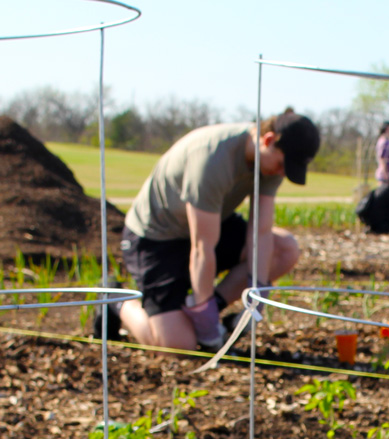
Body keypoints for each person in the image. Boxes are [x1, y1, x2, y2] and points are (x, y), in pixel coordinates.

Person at [113, 110, 319, 352]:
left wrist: (257, 294)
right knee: (179, 346)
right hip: (157, 237)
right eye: (283, 164)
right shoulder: (212, 158)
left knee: (284, 249)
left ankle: (208, 307)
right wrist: (205, 316)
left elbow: (261, 232)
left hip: (209, 225)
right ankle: (116, 300)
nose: (282, 173)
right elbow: (202, 248)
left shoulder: (269, 164)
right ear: (269, 140)